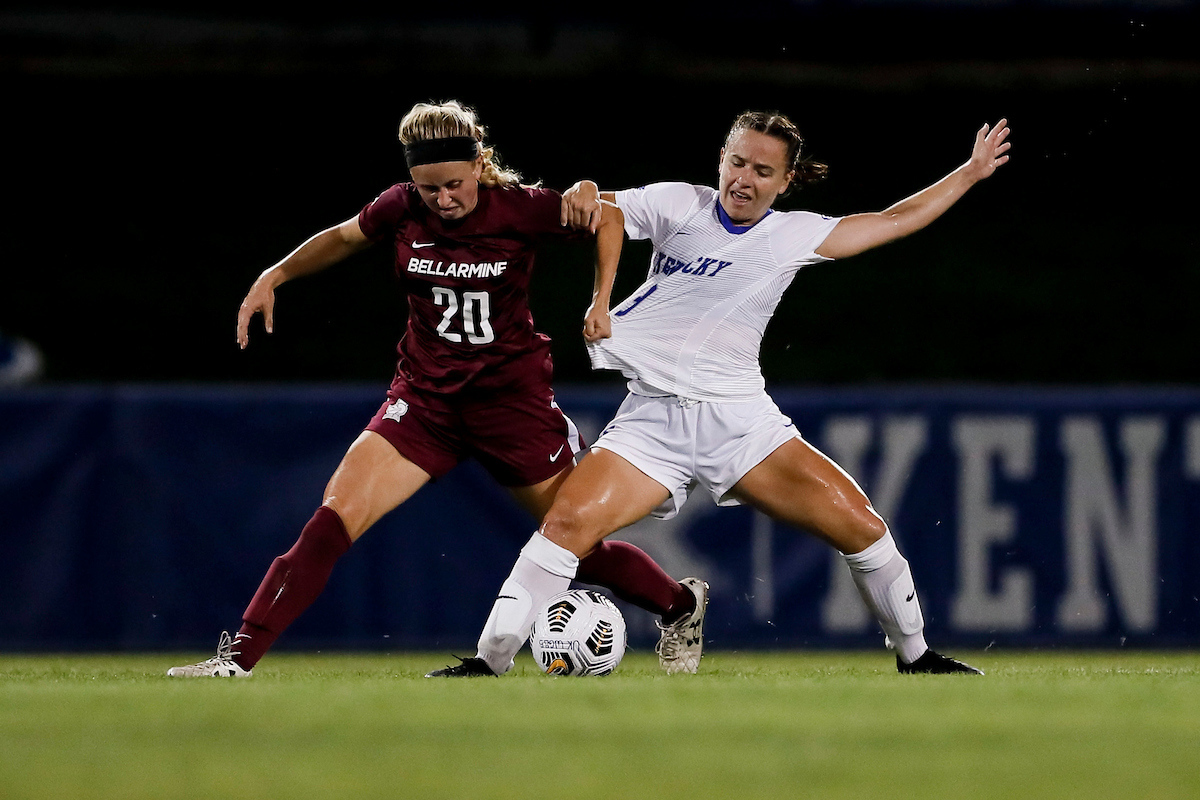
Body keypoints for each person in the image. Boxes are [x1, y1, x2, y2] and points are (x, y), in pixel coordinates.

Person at [167, 100, 706, 678]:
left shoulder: (520, 207)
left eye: (453, 184)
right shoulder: (400, 207)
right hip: (425, 402)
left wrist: (600, 298)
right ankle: (237, 659)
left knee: (577, 546)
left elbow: (608, 219)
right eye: (429, 189)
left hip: (512, 407)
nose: (443, 199)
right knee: (332, 518)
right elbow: (345, 238)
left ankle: (681, 605)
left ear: (478, 165)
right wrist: (275, 274)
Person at [463, 111, 1011, 677]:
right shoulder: (681, 203)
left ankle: (917, 657)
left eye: (762, 171)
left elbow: (893, 220)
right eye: (737, 162)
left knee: (863, 528)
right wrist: (585, 211)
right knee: (565, 528)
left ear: (786, 181)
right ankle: (487, 664)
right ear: (722, 159)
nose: (744, 180)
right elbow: (605, 211)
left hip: (742, 425)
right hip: (654, 420)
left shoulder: (792, 235)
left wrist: (969, 173)